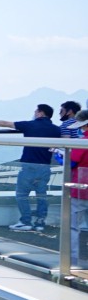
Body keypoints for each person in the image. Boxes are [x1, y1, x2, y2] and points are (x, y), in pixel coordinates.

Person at [0, 104, 61, 232]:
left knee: (21, 194)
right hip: (45, 166)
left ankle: (25, 221)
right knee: (41, 195)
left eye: (35, 111)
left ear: (41, 113)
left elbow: (5, 123)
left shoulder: (30, 125)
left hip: (28, 166)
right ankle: (40, 222)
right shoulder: (56, 130)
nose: (34, 113)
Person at [69, 111, 88, 266]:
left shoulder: (82, 142)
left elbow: (72, 162)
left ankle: (72, 259)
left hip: (80, 188)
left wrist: (60, 156)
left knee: (74, 225)